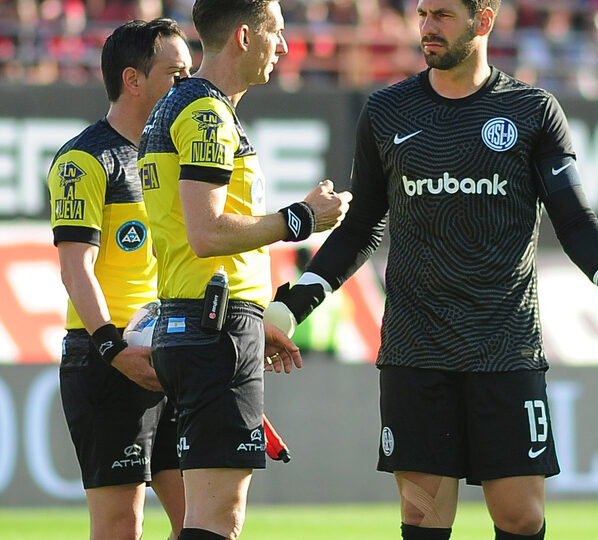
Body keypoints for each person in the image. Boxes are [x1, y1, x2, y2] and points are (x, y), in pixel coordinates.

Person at [267, 1, 598, 538]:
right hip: (416, 349)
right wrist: (291, 303)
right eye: (422, 14)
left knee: (520, 516)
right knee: (423, 516)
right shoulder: (386, 111)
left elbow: (575, 219)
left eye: (442, 15)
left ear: (483, 21)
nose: (427, 27)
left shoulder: (532, 110)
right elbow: (360, 227)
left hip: (503, 347)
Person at [137, 1, 352, 539]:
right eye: (275, 32)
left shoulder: (183, 107)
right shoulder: (207, 115)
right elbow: (206, 233)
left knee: (200, 518)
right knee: (218, 521)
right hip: (215, 330)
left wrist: (256, 320)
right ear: (242, 35)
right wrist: (303, 217)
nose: (283, 46)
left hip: (205, 322)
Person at [47, 18, 193, 540]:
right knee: (120, 526)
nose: (189, 89)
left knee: (207, 520)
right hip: (105, 358)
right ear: (133, 79)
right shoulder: (84, 158)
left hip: (171, 352)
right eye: (177, 76)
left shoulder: (175, 158)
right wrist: (113, 348)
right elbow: (74, 267)